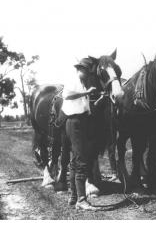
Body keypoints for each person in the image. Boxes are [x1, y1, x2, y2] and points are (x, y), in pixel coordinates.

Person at [61, 59, 98, 210]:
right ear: (80, 69)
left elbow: (82, 104)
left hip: (80, 122)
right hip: (75, 122)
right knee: (81, 160)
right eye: (86, 71)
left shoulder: (82, 83)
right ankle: (81, 200)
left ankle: (74, 197)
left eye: (89, 72)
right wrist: (86, 92)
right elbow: (67, 95)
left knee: (76, 161)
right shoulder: (73, 81)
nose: (88, 74)